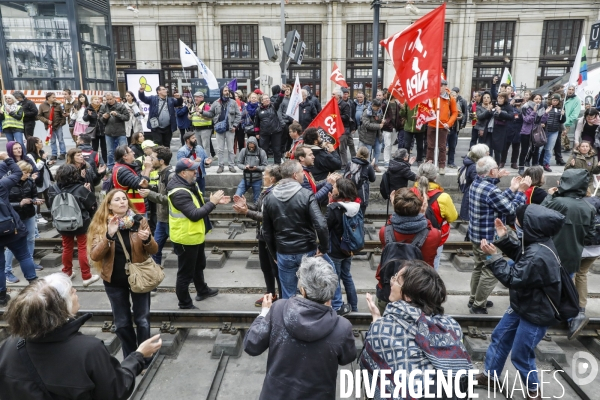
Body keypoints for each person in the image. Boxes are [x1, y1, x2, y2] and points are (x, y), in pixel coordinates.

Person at [0, 273, 163, 399]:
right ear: (62, 307)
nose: (76, 291)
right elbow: (116, 391)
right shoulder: (89, 350)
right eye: (71, 292)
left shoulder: (10, 346)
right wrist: (138, 356)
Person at [477, 206, 564, 400]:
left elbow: (513, 278)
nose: (515, 222)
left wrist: (494, 257)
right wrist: (506, 238)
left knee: (520, 354)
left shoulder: (538, 255)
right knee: (500, 337)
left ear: (531, 226)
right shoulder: (538, 242)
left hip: (536, 312)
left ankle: (534, 391)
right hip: (524, 303)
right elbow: (522, 257)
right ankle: (490, 376)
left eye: (518, 220)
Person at [244, 256, 355, 400]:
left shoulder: (279, 309)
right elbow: (347, 357)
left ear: (303, 290)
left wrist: (264, 313)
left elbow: (252, 345)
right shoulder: (342, 327)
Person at [362, 261, 472, 399]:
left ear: (408, 296)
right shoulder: (450, 325)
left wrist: (377, 321)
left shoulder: (382, 329)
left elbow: (372, 371)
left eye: (396, 280)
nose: (391, 282)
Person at [88, 189, 157, 361]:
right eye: (117, 200)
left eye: (124, 199)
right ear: (109, 205)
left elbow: (154, 249)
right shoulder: (102, 225)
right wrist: (109, 236)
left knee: (142, 321)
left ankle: (144, 356)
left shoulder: (140, 221)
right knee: (122, 324)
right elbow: (95, 255)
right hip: (114, 281)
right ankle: (131, 356)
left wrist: (147, 239)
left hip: (139, 277)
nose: (122, 202)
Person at [468, 156, 530, 314]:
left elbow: (497, 201)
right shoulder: (491, 190)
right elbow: (510, 209)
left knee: (479, 267)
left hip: (477, 236)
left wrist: (512, 189)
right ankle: (478, 305)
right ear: (492, 171)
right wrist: (521, 192)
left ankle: (473, 298)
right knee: (490, 271)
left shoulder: (477, 182)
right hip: (489, 240)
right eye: (496, 168)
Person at [262, 160, 330, 300]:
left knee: (288, 294)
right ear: (294, 175)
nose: (304, 176)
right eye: (301, 173)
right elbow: (321, 224)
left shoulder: (269, 198)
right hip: (307, 250)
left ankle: (291, 319)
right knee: (313, 289)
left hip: (284, 252)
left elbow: (266, 231)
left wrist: (274, 253)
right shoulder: (306, 194)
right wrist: (323, 247)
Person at [167, 158, 230, 309]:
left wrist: (213, 201)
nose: (196, 172)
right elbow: (194, 214)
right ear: (183, 173)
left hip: (194, 235)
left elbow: (197, 202)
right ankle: (185, 303)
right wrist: (212, 202)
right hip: (185, 238)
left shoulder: (188, 184)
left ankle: (202, 290)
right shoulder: (179, 192)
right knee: (185, 274)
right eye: (192, 170)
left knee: (198, 265)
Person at [541, 168, 595, 339]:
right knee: (565, 287)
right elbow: (590, 235)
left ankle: (550, 320)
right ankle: (573, 316)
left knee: (547, 290)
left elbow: (538, 214)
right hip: (573, 256)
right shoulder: (588, 207)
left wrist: (550, 195)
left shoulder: (559, 202)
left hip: (552, 254)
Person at [233, 165, 283, 305]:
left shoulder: (276, 193)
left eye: (264, 175)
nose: (263, 178)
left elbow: (267, 217)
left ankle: (283, 297)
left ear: (272, 178)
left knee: (276, 269)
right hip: (263, 235)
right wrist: (246, 206)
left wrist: (246, 212)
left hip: (272, 237)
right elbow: (258, 207)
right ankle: (271, 294)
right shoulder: (266, 191)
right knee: (265, 266)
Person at [48, 164, 100, 286]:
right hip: (81, 223)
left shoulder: (53, 189)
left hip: (62, 223)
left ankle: (67, 272)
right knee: (82, 248)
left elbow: (51, 206)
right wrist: (88, 191)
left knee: (67, 247)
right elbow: (92, 205)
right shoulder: (80, 189)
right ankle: (86, 276)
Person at [0, 153, 38, 306]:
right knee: (24, 256)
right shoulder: (2, 184)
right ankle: (35, 286)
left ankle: (2, 296)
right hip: (12, 228)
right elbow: (17, 172)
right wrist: (6, 158)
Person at [411, 162, 458, 269]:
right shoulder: (443, 197)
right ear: (435, 177)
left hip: (412, 236)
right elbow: (453, 217)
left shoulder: (409, 193)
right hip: (436, 238)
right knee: (431, 267)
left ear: (417, 176)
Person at [3, 161, 43, 284]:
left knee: (30, 239)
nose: (27, 175)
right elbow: (4, 203)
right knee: (11, 244)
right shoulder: (7, 184)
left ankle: (29, 263)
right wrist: (20, 204)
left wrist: (35, 201)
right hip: (14, 218)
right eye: (25, 172)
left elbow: (34, 195)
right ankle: (7, 270)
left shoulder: (30, 182)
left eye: (29, 173)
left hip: (29, 214)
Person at [326, 178, 360, 312]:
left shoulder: (334, 208)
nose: (332, 189)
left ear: (340, 191)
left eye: (334, 187)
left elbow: (325, 227)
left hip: (335, 249)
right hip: (349, 248)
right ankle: (354, 307)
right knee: (347, 276)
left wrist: (330, 205)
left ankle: (338, 306)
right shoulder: (356, 206)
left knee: (335, 278)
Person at [139, 146, 174, 266]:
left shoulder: (170, 176)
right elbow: (161, 192)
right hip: (162, 219)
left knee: (181, 251)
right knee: (155, 250)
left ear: (162, 161)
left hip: (171, 220)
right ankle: (155, 277)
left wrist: (150, 194)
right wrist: (148, 187)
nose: (150, 160)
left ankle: (189, 276)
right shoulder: (162, 174)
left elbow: (171, 200)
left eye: (153, 158)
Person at [203, 86, 241, 173]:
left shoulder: (233, 102)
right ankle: (221, 166)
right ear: (221, 92)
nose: (227, 92)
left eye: (228, 91)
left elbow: (238, 115)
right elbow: (210, 114)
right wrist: (202, 112)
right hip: (219, 130)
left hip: (230, 129)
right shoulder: (216, 103)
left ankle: (231, 166)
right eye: (225, 90)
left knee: (231, 149)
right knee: (220, 149)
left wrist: (234, 126)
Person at [427, 80, 458, 175]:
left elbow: (455, 112)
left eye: (441, 86)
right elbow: (428, 108)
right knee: (430, 146)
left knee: (442, 147)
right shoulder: (433, 96)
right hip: (432, 124)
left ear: (445, 86)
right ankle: (429, 165)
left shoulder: (450, 98)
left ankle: (441, 166)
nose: (439, 87)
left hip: (443, 126)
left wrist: (449, 123)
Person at [112, 145, 151, 215]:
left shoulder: (124, 167)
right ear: (125, 156)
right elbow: (141, 184)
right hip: (133, 211)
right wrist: (148, 168)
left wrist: (145, 168)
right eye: (131, 152)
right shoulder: (122, 171)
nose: (134, 153)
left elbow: (139, 178)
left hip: (133, 209)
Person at [458, 144, 489, 224]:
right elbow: (479, 181)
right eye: (487, 152)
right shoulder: (474, 167)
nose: (489, 154)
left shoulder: (472, 163)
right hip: (471, 193)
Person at [26, 136, 53, 224]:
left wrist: (49, 163)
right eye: (40, 142)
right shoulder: (30, 155)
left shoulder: (42, 152)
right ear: (36, 144)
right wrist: (43, 159)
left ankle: (52, 212)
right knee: (38, 196)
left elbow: (44, 164)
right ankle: (38, 216)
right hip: (37, 178)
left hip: (45, 176)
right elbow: (35, 168)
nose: (42, 143)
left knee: (48, 194)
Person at [100, 93, 130, 170]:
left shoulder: (120, 106)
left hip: (120, 132)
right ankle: (110, 167)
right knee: (110, 151)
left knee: (124, 150)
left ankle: (125, 165)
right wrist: (104, 117)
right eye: (107, 99)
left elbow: (127, 117)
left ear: (114, 98)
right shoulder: (103, 106)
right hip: (109, 132)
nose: (109, 101)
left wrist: (117, 115)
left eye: (110, 99)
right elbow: (100, 119)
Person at [518, 94, 548, 173]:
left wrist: (546, 113)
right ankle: (521, 167)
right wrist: (534, 112)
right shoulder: (525, 107)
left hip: (536, 132)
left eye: (539, 99)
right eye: (536, 99)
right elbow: (527, 120)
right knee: (524, 150)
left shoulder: (541, 108)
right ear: (532, 99)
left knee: (536, 151)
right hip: (526, 132)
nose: (538, 100)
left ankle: (535, 168)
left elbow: (542, 121)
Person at [344, 146, 376, 216]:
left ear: (357, 153)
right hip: (362, 195)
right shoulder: (368, 166)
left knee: (349, 215)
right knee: (360, 216)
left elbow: (344, 177)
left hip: (349, 193)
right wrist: (372, 166)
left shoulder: (349, 163)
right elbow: (373, 179)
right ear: (367, 155)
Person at [235, 136, 268, 203]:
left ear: (256, 145)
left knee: (257, 200)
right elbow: (238, 163)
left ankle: (256, 211)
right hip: (246, 178)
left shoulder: (261, 152)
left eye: (253, 147)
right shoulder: (244, 151)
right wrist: (244, 167)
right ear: (247, 145)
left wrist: (257, 168)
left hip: (257, 179)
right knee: (237, 196)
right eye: (250, 147)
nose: (251, 148)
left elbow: (265, 166)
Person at [539, 93, 566, 172]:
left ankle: (546, 163)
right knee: (540, 148)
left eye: (557, 100)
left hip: (554, 131)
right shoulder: (544, 105)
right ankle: (536, 163)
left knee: (549, 149)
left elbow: (562, 121)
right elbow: (539, 116)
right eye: (553, 100)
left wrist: (563, 115)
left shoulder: (561, 108)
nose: (555, 102)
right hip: (544, 130)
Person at [255, 93, 283, 165]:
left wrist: (282, 92)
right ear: (262, 101)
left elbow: (279, 100)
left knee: (277, 149)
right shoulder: (258, 110)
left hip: (275, 131)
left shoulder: (273, 106)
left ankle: (277, 163)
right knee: (264, 150)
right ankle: (264, 164)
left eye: (268, 98)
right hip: (264, 133)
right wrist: (257, 133)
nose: (267, 100)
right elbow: (256, 123)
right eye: (265, 99)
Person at [37, 92, 66, 160]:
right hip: (49, 127)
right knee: (52, 141)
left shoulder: (58, 105)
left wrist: (61, 123)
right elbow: (39, 116)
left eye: (55, 97)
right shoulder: (42, 106)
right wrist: (47, 121)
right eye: (53, 97)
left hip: (58, 126)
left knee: (61, 140)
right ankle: (54, 154)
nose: (55, 98)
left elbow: (63, 115)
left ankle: (62, 153)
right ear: (48, 98)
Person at [487, 92, 514, 165]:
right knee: (489, 148)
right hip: (492, 129)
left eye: (501, 98)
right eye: (499, 97)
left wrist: (500, 112)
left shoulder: (508, 106)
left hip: (501, 130)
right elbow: (490, 117)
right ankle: (490, 164)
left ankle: (497, 164)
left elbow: (511, 117)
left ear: (505, 99)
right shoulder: (495, 105)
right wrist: (489, 111)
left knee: (497, 149)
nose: (499, 99)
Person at [358, 99, 384, 172]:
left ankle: (375, 164)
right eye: (377, 107)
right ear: (373, 106)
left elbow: (380, 119)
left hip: (377, 135)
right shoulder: (366, 112)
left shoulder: (379, 111)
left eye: (379, 107)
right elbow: (367, 124)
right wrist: (378, 126)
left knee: (378, 150)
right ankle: (368, 166)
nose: (378, 109)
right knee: (368, 152)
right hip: (367, 135)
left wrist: (382, 121)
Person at [501, 94, 524, 170]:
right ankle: (502, 161)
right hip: (509, 128)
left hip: (518, 129)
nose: (517, 101)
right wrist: (510, 104)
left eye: (519, 100)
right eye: (516, 100)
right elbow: (504, 112)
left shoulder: (523, 108)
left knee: (516, 148)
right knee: (505, 147)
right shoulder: (510, 107)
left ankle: (514, 162)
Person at [83, 95, 108, 166]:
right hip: (94, 131)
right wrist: (89, 115)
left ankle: (104, 162)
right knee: (94, 148)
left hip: (103, 129)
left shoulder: (103, 107)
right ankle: (95, 162)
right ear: (92, 101)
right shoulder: (89, 108)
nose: (97, 100)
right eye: (95, 99)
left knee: (104, 148)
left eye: (98, 99)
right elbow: (85, 119)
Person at [333, 88, 353, 167]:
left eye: (333, 94)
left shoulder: (345, 105)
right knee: (336, 147)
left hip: (343, 129)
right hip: (335, 129)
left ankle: (344, 164)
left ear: (338, 95)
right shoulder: (333, 103)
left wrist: (336, 117)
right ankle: (338, 163)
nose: (332, 95)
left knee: (342, 148)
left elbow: (347, 116)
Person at [563, 84, 582, 150]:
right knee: (563, 135)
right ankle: (567, 145)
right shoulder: (563, 97)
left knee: (563, 134)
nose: (570, 91)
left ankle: (561, 149)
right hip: (559, 119)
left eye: (572, 90)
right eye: (569, 89)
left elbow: (576, 112)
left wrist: (569, 120)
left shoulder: (576, 100)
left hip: (567, 120)